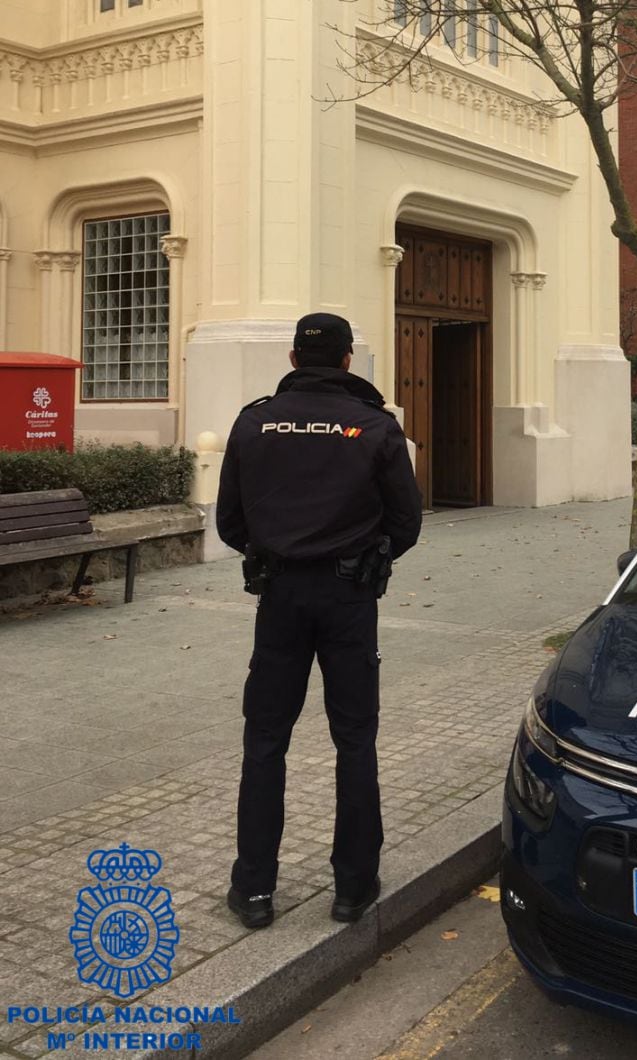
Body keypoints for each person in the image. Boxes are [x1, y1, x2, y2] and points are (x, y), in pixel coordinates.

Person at [216, 312, 422, 929]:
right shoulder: (375, 426)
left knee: (265, 742)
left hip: (278, 600)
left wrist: (277, 549)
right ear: (348, 360)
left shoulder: (254, 422)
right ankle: (353, 888)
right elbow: (405, 524)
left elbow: (230, 522)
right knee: (354, 741)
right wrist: (361, 556)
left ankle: (254, 890)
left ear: (292, 358)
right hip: (348, 601)